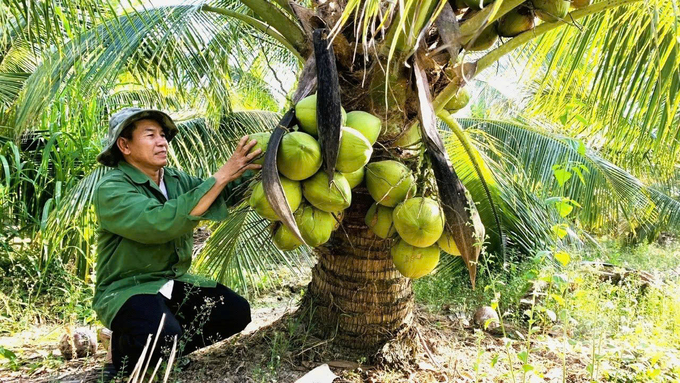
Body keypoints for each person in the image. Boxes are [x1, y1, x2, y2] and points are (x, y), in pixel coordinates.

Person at [93, 107, 262, 378]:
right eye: (150, 135)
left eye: (162, 135)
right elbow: (160, 223)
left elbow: (220, 194)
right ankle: (124, 347)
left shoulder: (175, 180)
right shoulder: (112, 188)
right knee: (162, 336)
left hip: (171, 282)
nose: (162, 141)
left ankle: (164, 348)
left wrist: (256, 166)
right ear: (124, 145)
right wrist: (220, 176)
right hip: (128, 288)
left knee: (236, 312)